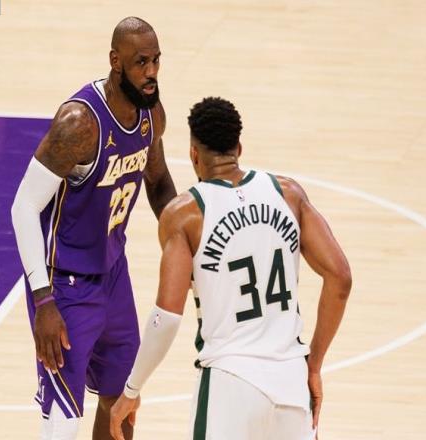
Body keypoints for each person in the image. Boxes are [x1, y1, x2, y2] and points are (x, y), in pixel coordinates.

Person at [109, 97, 352, 440]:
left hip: (229, 383)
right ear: (239, 147)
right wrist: (313, 365)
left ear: (194, 154)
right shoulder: (288, 194)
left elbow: (167, 318)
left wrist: (132, 390)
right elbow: (340, 277)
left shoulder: (185, 214)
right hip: (291, 382)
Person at [11, 17, 176, 440]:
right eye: (141, 63)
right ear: (116, 62)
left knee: (123, 402)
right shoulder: (80, 124)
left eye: (156, 61)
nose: (152, 72)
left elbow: (158, 183)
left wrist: (188, 248)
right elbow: (23, 207)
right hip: (64, 284)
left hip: (113, 274)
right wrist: (43, 300)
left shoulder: (150, 115)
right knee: (64, 420)